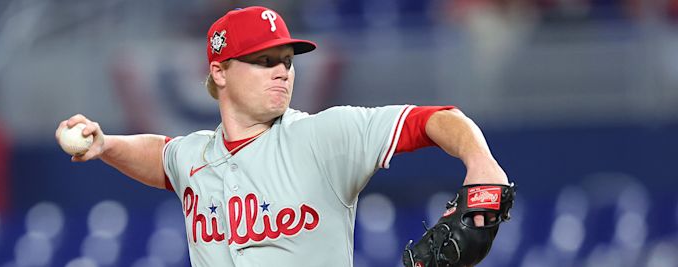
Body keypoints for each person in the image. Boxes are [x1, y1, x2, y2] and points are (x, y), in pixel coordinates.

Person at [56, 6, 510, 267]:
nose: (282, 71)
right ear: (220, 72)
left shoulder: (323, 136)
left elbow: (433, 119)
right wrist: (106, 145)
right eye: (264, 61)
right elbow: (162, 157)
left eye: (287, 61)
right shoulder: (195, 155)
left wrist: (481, 162)